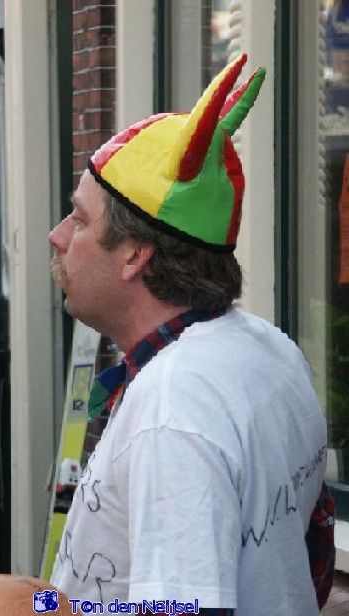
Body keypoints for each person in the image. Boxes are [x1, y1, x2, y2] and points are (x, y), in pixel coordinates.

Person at [48, 53, 335, 615]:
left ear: (135, 255)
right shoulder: (270, 349)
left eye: (80, 219)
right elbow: (309, 557)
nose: (58, 236)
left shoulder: (173, 408)